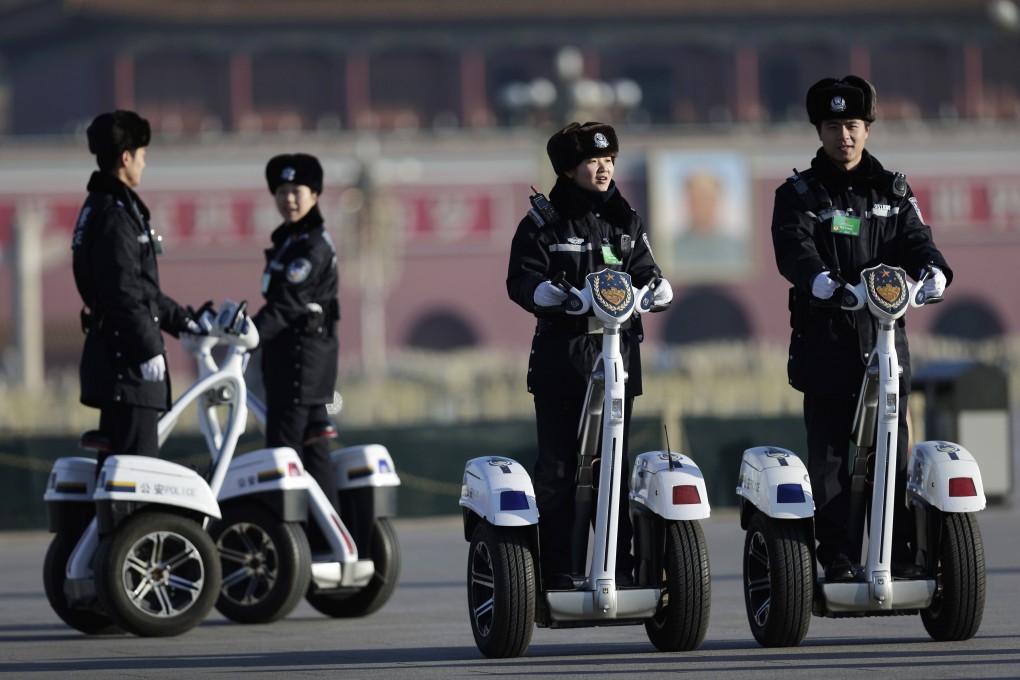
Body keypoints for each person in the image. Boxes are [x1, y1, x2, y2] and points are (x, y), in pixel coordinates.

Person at [771, 76, 952, 582]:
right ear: (819, 131)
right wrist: (823, 282)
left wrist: (934, 270)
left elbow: (917, 239)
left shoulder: (893, 190)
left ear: (867, 129)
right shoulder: (799, 193)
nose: (843, 136)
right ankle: (840, 558)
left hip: (885, 341)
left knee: (890, 452)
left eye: (852, 125)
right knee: (829, 459)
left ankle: (894, 554)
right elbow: (793, 248)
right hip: (825, 340)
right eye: (833, 127)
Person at [507, 122, 672, 590]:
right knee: (559, 470)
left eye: (609, 161)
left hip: (617, 363)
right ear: (568, 169)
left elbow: (647, 271)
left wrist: (656, 288)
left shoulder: (626, 219)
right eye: (592, 163)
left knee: (613, 469)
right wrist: (548, 293)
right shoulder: (543, 222)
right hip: (563, 363)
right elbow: (519, 280)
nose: (603, 170)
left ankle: (618, 569)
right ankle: (559, 572)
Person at [71, 110, 202, 469]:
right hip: (125, 369)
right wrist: (148, 349)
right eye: (142, 156)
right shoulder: (115, 215)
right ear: (125, 158)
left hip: (117, 365)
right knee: (136, 478)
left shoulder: (107, 206)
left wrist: (188, 323)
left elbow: (145, 291)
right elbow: (123, 293)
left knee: (118, 479)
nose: (145, 164)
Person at [253, 153, 341, 511]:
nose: (289, 198)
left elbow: (288, 303)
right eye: (282, 191)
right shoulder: (291, 241)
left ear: (315, 194)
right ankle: (330, 538)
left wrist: (248, 333)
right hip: (292, 359)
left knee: (283, 450)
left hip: (301, 361)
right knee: (313, 445)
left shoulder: (312, 246)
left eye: (297, 190)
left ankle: (293, 538)